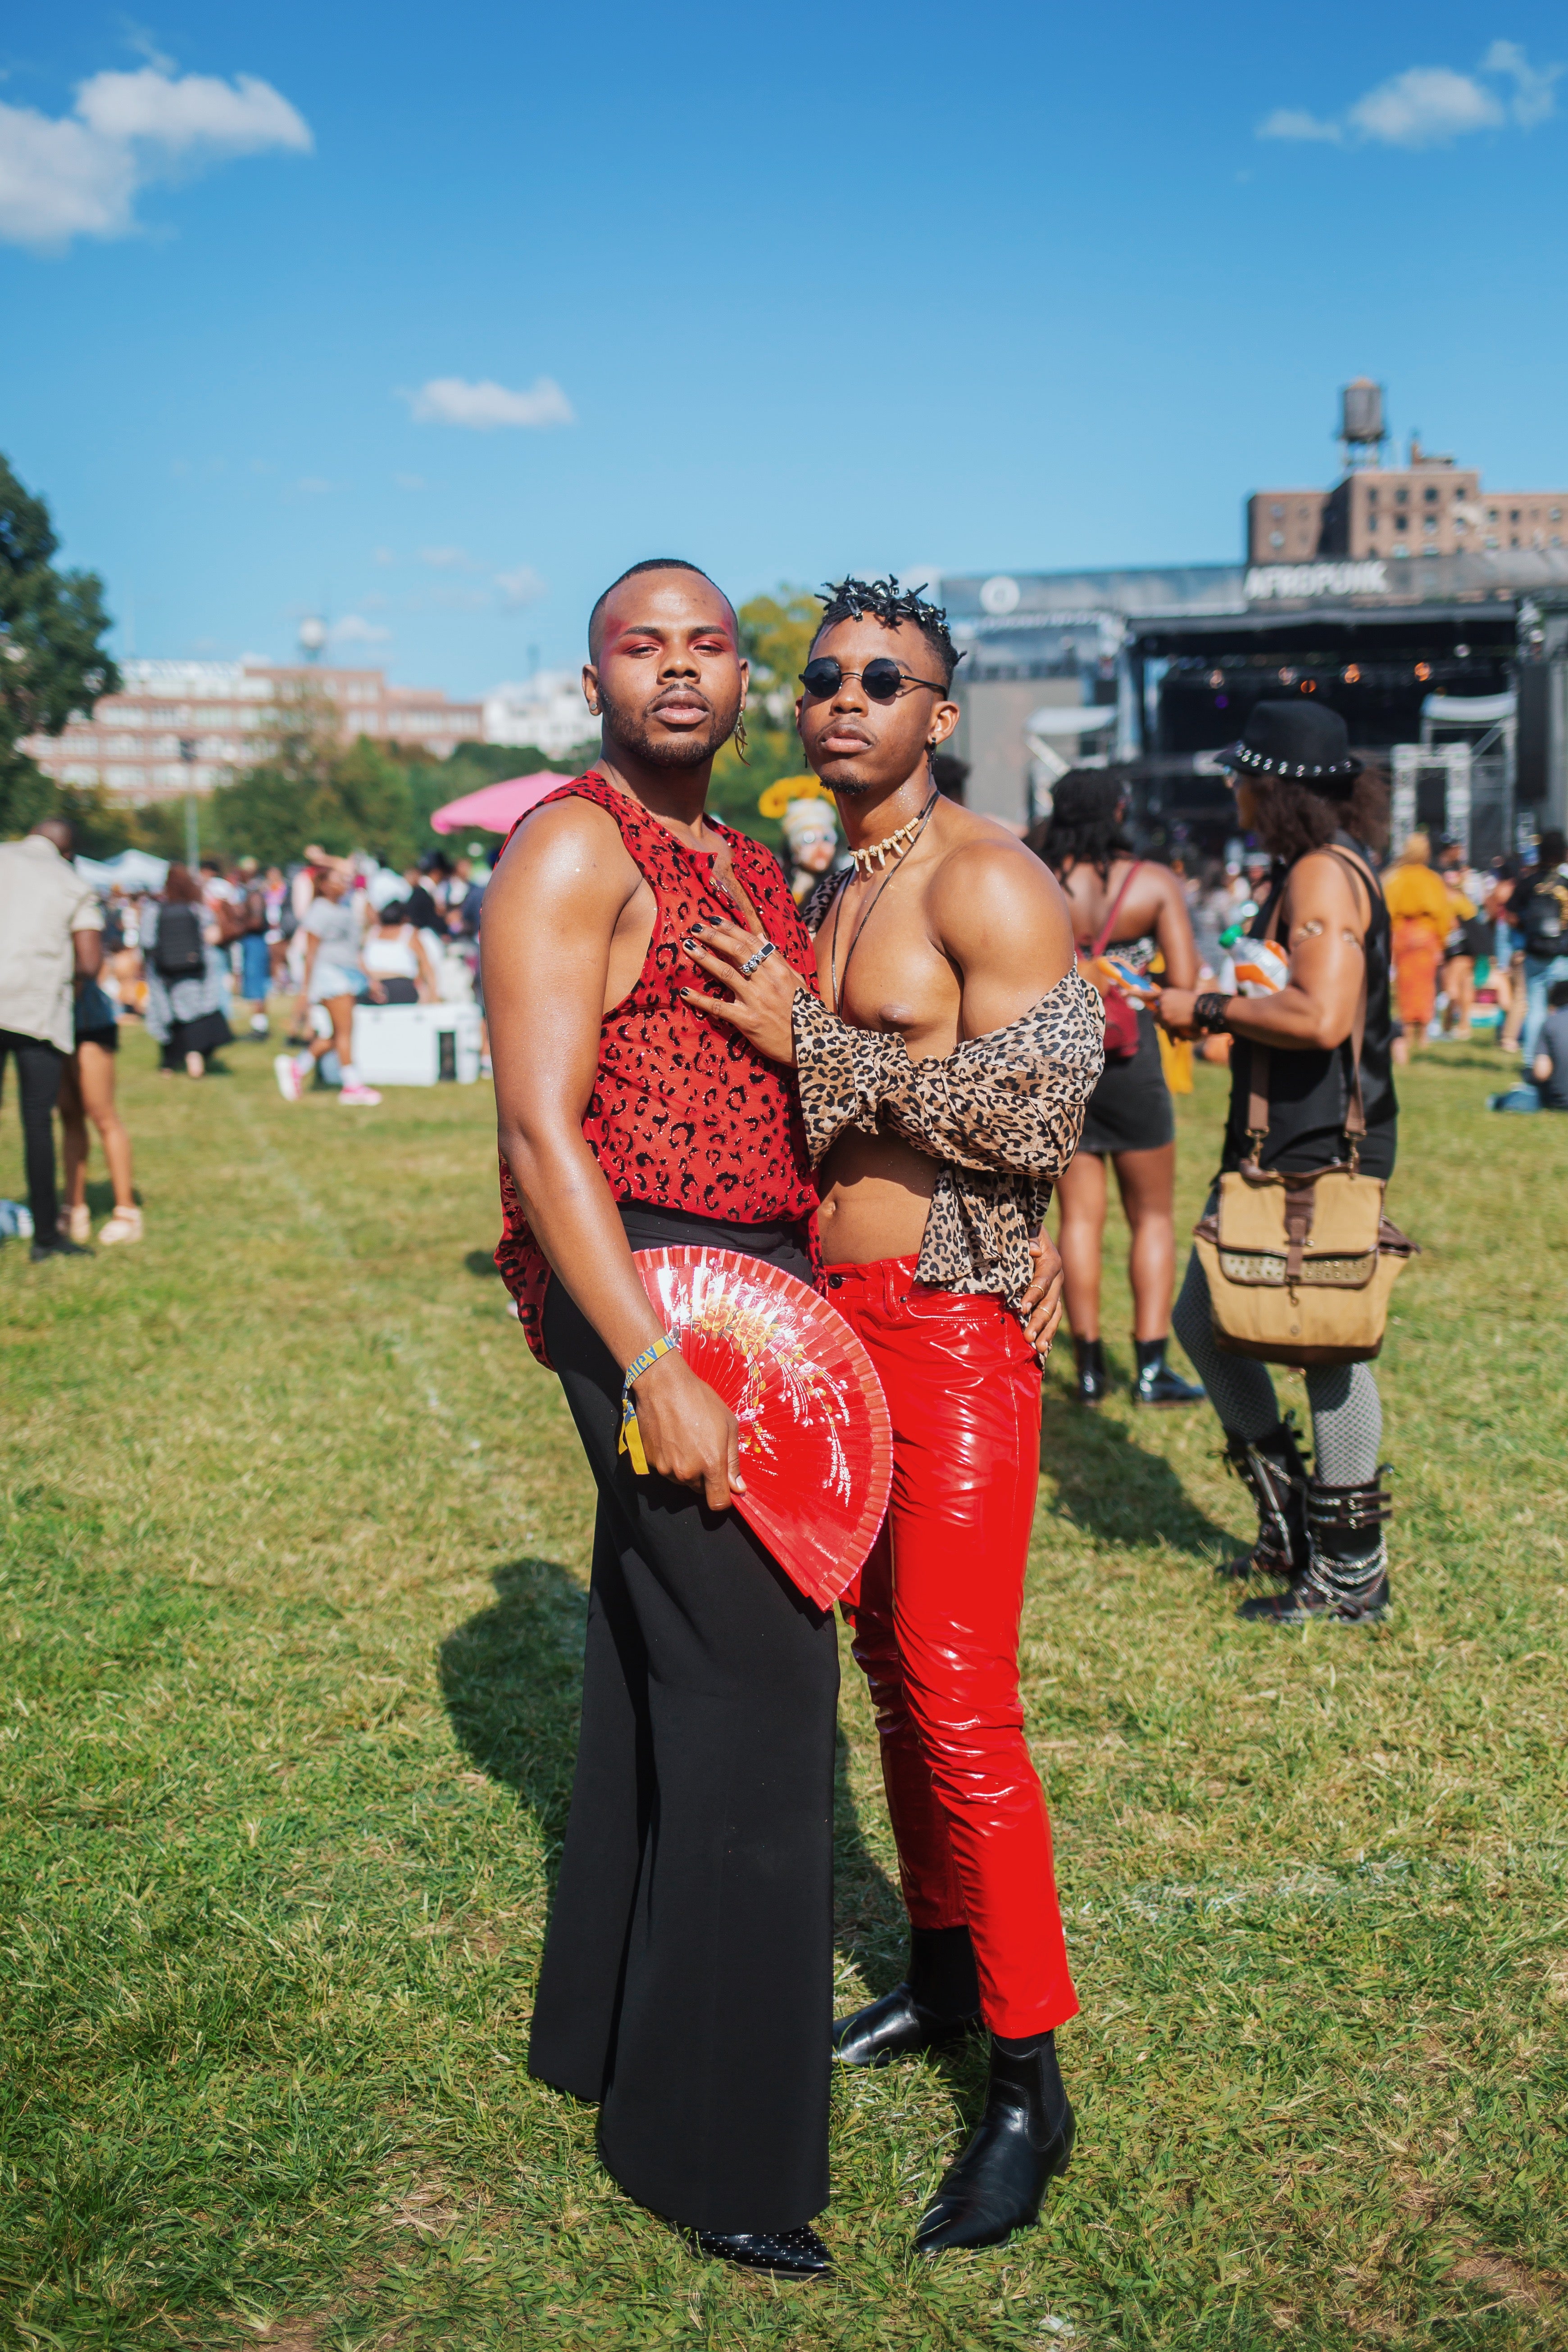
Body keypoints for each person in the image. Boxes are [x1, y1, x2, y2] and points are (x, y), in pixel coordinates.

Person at [683, 576, 1103, 2255]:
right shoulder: (823, 883)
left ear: (941, 714)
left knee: (954, 1692)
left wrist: (816, 1045)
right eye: (825, 675)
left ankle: (1029, 2082)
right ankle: (938, 1980)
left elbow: (1034, 1105)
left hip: (945, 1329)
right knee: (882, 1669)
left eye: (887, 678)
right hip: (828, 1325)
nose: (845, 695)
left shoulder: (988, 875)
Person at [485, 559, 838, 2279]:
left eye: (708, 645)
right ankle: (718, 2147)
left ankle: (605, 2041)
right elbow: (544, 1131)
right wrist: (644, 1359)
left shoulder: (748, 859)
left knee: (657, 1669)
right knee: (764, 1697)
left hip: (759, 1277)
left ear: (739, 681)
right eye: (647, 645)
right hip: (651, 1291)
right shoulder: (573, 842)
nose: (680, 669)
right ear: (595, 673)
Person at [1157, 701, 1397, 1628]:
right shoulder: (1307, 871)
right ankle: (1296, 1521)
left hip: (1320, 1139)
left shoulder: (1321, 881)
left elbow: (1321, 1016)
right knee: (1206, 1320)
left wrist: (1207, 1006)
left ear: (1275, 786)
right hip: (1281, 1130)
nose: (1233, 792)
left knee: (1327, 1341)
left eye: (1243, 777)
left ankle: (1350, 1573)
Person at [1033, 773, 1205, 1408]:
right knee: (1152, 1216)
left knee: (1078, 1217)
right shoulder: (1154, 883)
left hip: (1063, 1062)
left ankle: (1088, 1371)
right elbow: (1183, 983)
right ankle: (1153, 1370)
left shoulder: (1038, 876)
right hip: (1133, 1062)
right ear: (1120, 809)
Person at [0, 816, 102, 1261]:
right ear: (69, 851)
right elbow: (90, 960)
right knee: (37, 1123)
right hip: (36, 1008)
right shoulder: (72, 881)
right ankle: (46, 1237)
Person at [273, 866, 380, 1104]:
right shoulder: (319, 910)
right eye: (337, 880)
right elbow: (311, 954)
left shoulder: (345, 908)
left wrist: (368, 978)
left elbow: (355, 949)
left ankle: (297, 1067)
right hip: (331, 975)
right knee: (345, 1031)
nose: (343, 884)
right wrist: (306, 990)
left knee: (337, 1034)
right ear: (323, 885)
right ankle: (351, 1085)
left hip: (347, 973)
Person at [58, 965, 142, 1245]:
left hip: (90, 1021)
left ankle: (127, 1211)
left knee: (102, 1114)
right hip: (54, 1022)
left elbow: (91, 964)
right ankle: (74, 1206)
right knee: (69, 1117)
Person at [141, 863, 235, 1078]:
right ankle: (196, 1062)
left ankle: (169, 1064)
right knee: (194, 1014)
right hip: (195, 970)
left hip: (164, 973)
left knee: (168, 1013)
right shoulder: (197, 910)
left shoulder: (154, 911)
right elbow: (211, 938)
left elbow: (147, 942)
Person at [1383, 832, 1450, 1060]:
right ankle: (1423, 1035)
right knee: (1427, 986)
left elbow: (1388, 912)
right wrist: (1441, 942)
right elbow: (1443, 915)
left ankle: (1408, 1033)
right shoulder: (1432, 880)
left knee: (1405, 986)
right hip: (1426, 936)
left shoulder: (1396, 878)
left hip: (1403, 936)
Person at [1511, 830, 1568, 1066]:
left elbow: (1511, 914)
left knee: (1535, 1008)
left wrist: (1527, 929)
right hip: (1563, 955)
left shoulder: (1529, 883)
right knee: (1564, 1009)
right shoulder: (1565, 884)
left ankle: (1532, 1060)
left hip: (1535, 953)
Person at [1490, 976, 1568, 1112]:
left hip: (1560, 1101)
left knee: (1521, 1097)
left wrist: (1529, 1077)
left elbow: (1542, 1072)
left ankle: (1497, 1102)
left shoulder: (1552, 1023)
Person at [361, 900, 437, 1003]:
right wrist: (433, 995)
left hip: (372, 988)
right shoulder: (409, 932)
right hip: (400, 988)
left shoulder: (371, 933)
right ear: (405, 918)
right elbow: (425, 965)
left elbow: (360, 961)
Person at [232, 857, 272, 1039]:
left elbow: (256, 922)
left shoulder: (254, 893)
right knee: (253, 984)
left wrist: (238, 924)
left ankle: (260, 1028)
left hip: (255, 942)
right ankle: (258, 1025)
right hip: (252, 942)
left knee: (256, 986)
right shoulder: (250, 891)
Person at [779, 795, 841, 904]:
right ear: (794, 849)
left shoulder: (844, 886)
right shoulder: (779, 886)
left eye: (827, 838)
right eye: (809, 839)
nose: (820, 846)